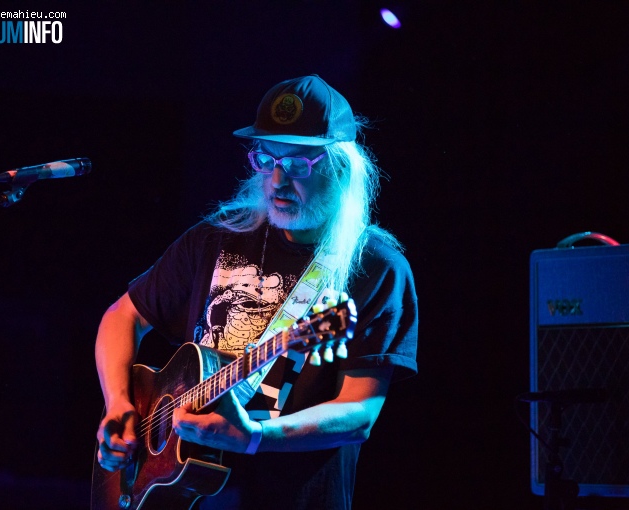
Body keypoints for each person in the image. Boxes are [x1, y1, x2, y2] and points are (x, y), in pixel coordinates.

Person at [95, 74, 418, 509]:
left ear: (340, 168)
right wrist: (118, 402)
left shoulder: (375, 266)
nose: (278, 180)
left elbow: (359, 414)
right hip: (177, 491)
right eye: (266, 160)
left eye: (300, 164)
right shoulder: (217, 236)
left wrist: (255, 438)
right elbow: (122, 316)